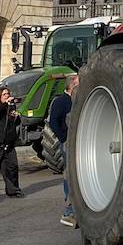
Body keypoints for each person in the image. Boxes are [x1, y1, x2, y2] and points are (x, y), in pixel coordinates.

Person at [49, 74, 79, 227]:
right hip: (67, 141)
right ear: (72, 86)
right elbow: (53, 121)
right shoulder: (61, 101)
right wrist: (63, 138)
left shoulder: (79, 99)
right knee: (69, 173)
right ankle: (69, 209)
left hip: (78, 141)